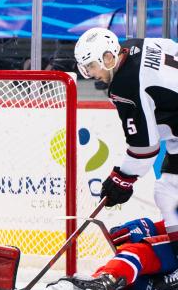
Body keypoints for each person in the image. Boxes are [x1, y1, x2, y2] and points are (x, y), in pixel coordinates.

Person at [74, 27, 178, 258]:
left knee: (168, 192)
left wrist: (121, 178)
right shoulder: (135, 44)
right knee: (171, 186)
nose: (91, 74)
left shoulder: (126, 83)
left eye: (92, 66)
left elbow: (145, 148)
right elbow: (172, 47)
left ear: (109, 58)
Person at [46, 217, 178, 290]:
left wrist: (148, 228)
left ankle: (104, 282)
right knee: (133, 281)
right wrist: (145, 227)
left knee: (138, 252)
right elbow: (170, 225)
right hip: (159, 283)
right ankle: (94, 288)